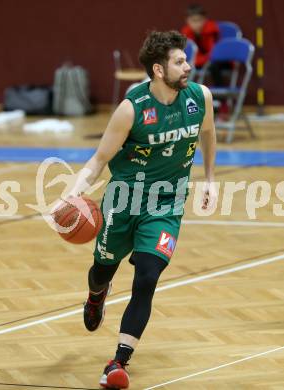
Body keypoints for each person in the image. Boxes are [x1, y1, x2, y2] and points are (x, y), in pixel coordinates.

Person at [60, 30, 217, 389]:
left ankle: (118, 361)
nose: (188, 67)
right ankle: (97, 293)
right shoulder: (132, 108)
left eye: (186, 59)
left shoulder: (199, 97)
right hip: (123, 200)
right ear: (159, 70)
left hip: (167, 202)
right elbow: (99, 159)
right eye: (180, 61)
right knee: (103, 268)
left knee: (147, 277)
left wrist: (209, 178)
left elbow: (208, 133)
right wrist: (71, 195)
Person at [181, 4, 219, 69]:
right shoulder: (186, 33)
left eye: (199, 20)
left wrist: (196, 61)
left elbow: (213, 53)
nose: (197, 24)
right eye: (193, 20)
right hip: (199, 61)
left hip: (215, 60)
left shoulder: (211, 31)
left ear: (205, 19)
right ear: (187, 20)